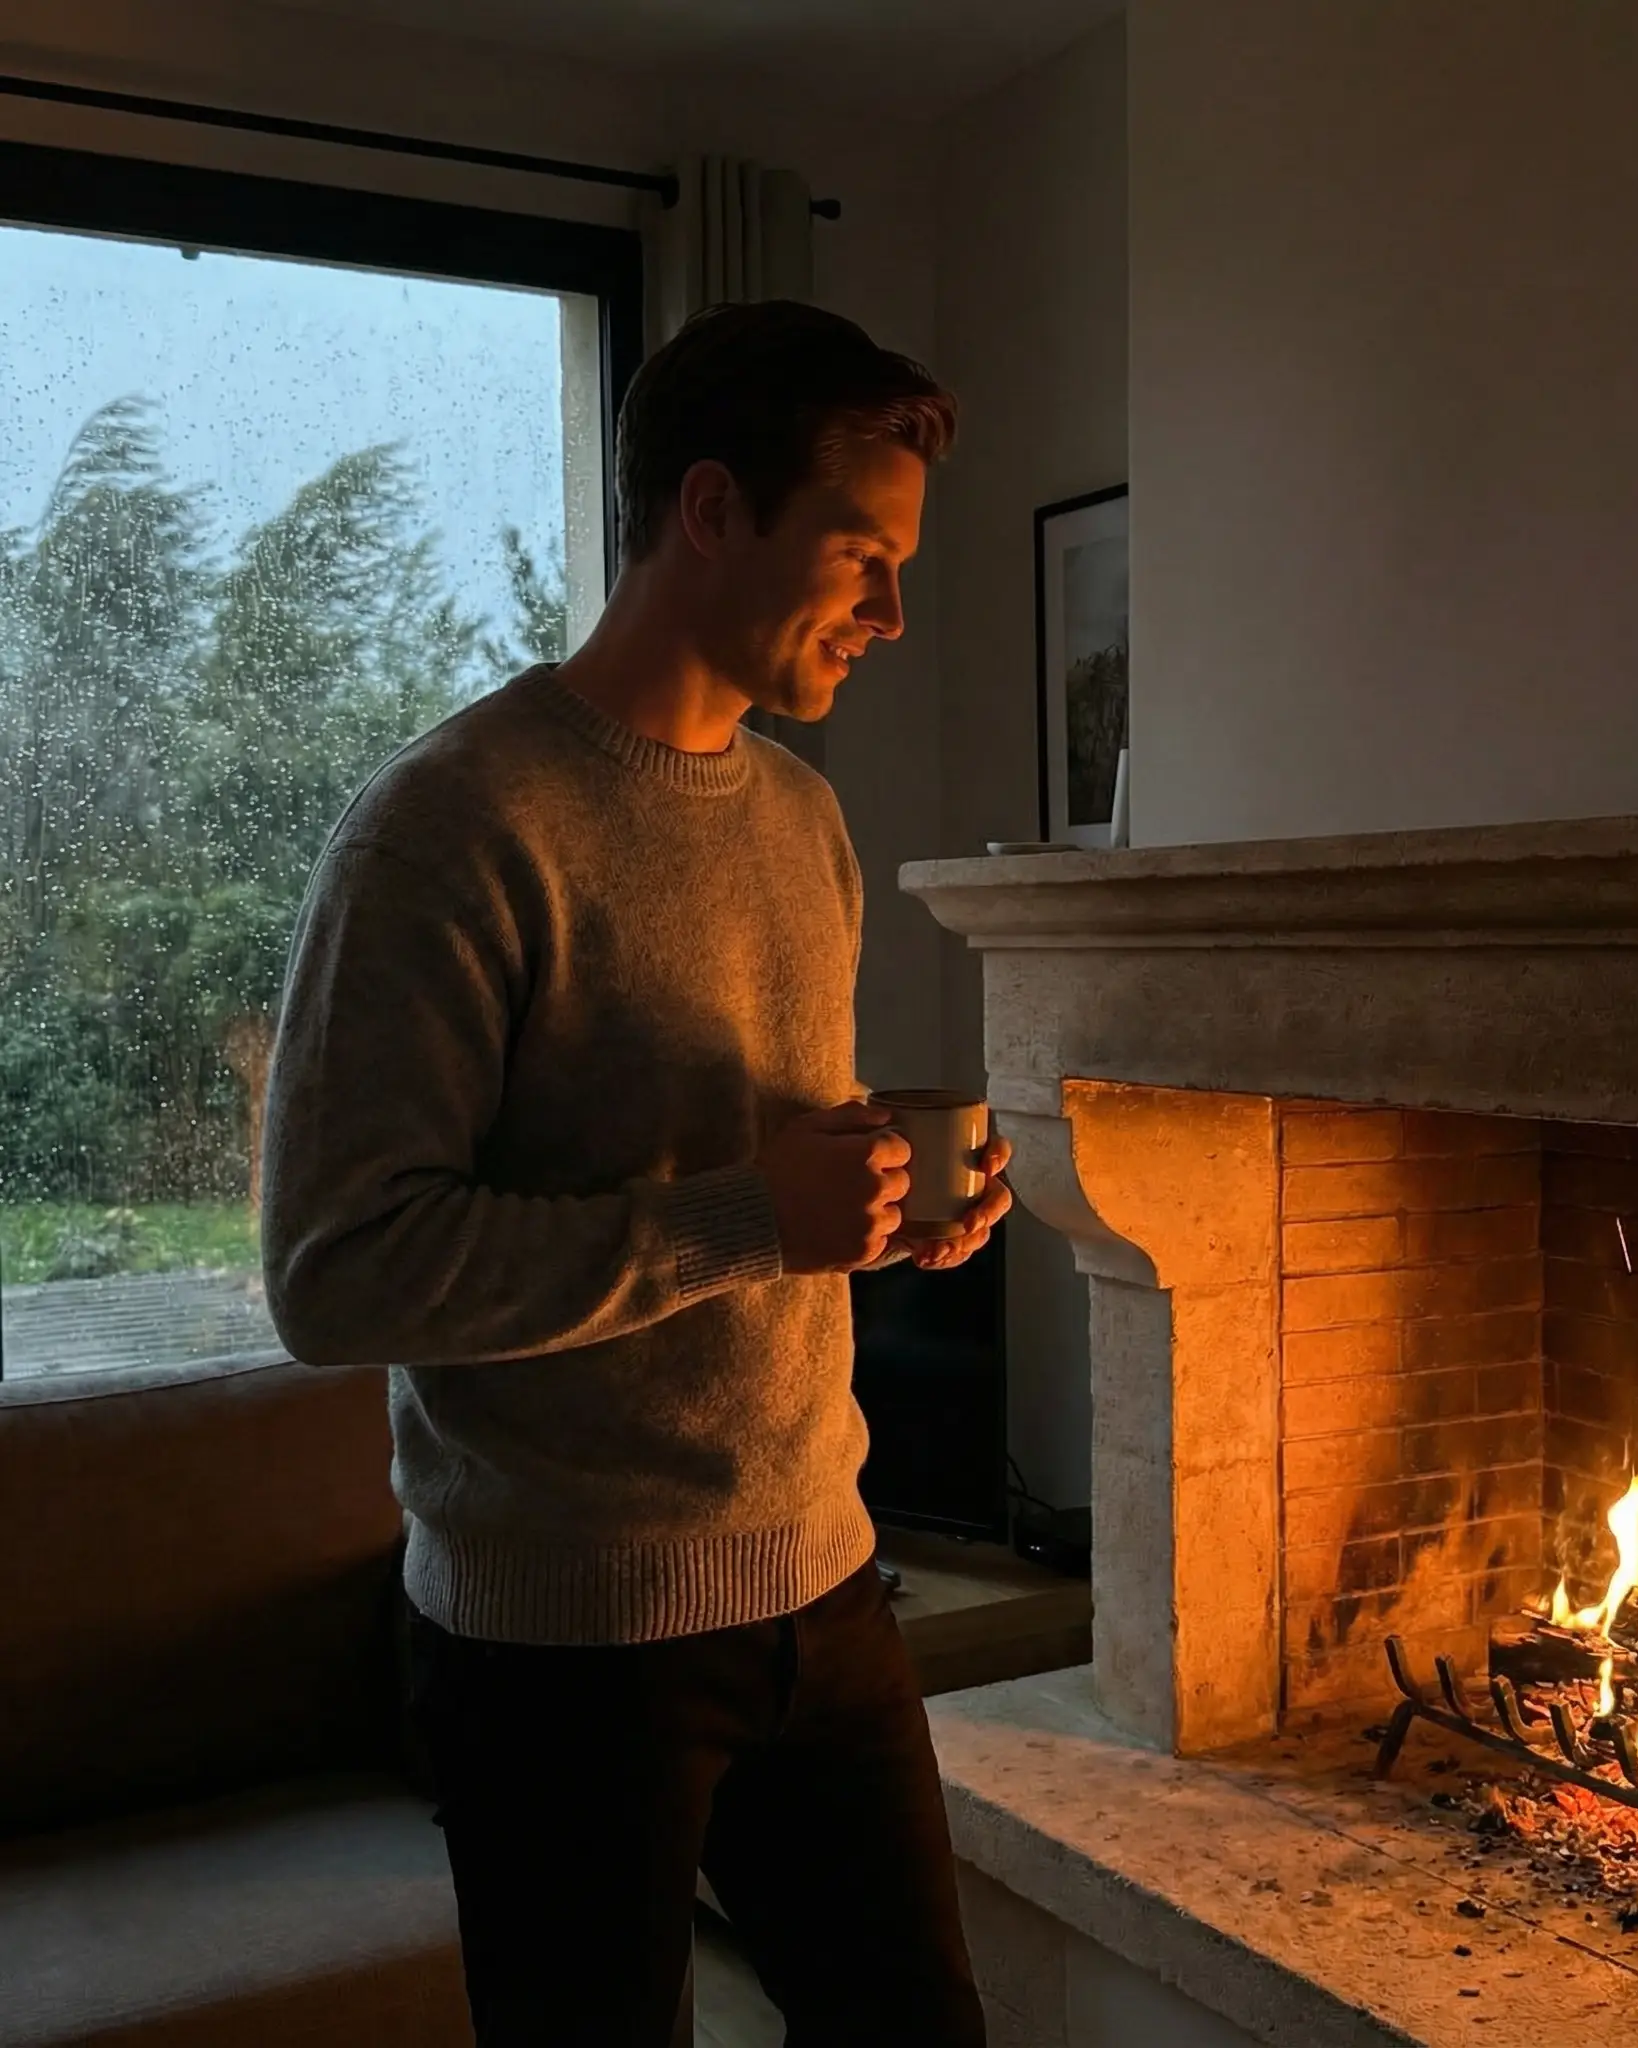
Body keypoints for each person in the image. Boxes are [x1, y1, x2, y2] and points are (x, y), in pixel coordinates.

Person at [261, 299, 1008, 2048]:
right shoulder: (449, 826)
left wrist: (879, 1193)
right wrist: (752, 1218)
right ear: (712, 510)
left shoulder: (804, 821)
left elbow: (737, 1138)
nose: (893, 613)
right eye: (862, 554)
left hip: (828, 1582)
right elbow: (338, 1273)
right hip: (561, 1648)